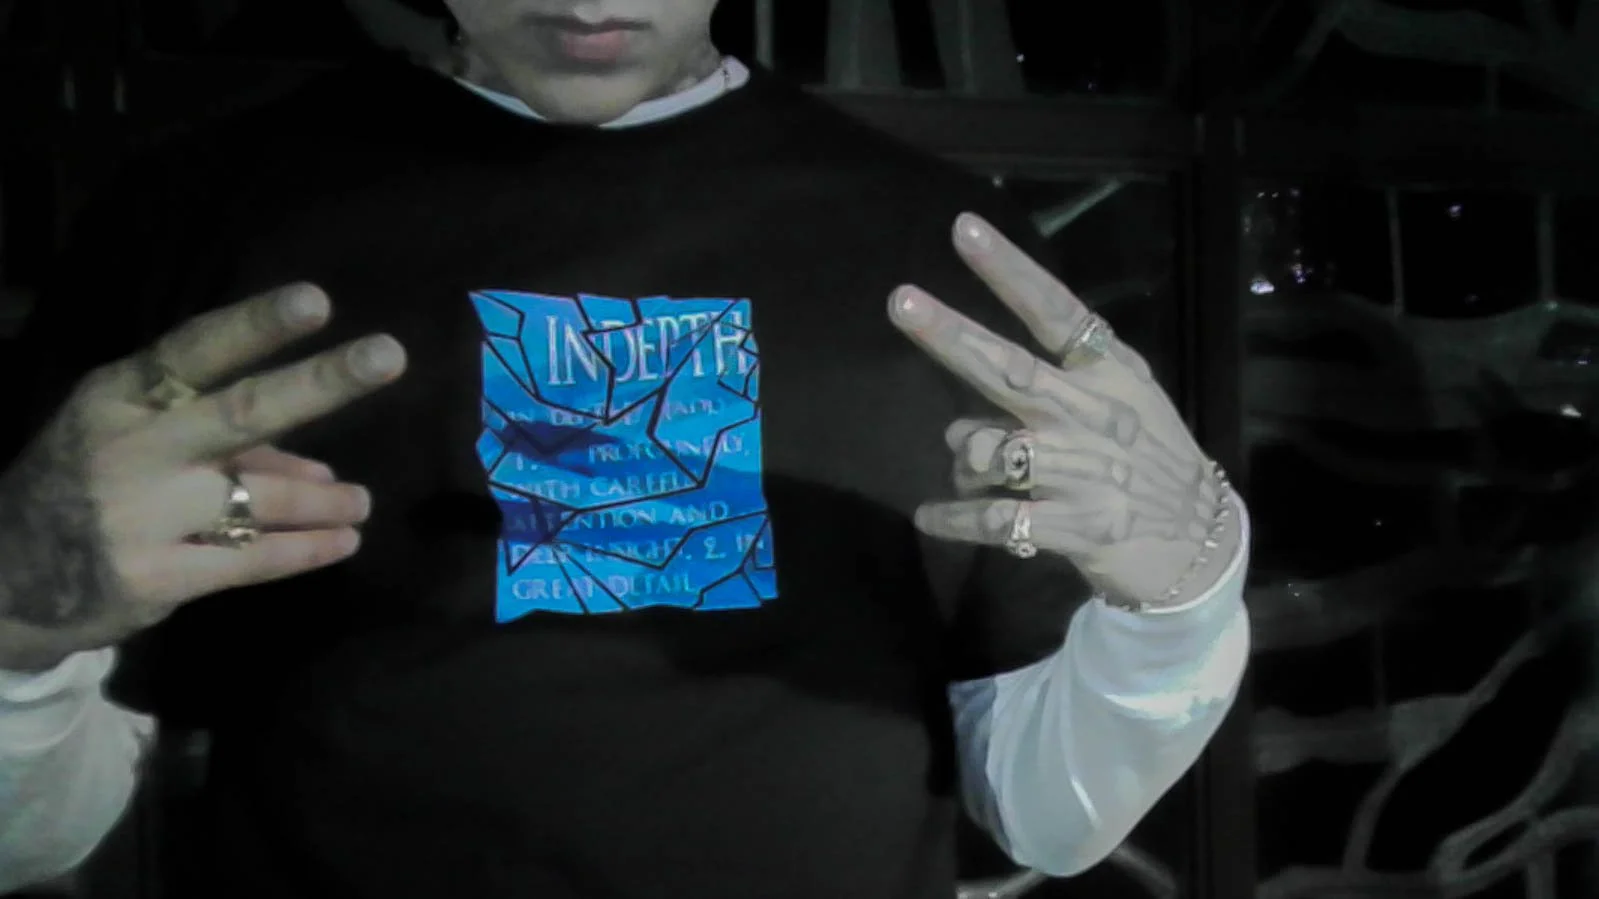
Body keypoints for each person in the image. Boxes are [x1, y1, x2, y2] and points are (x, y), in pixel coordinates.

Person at [0, 1, 1253, 896]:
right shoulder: (193, 222)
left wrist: (1180, 602)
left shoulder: (944, 247)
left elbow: (1046, 813)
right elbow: (42, 835)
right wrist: (21, 620)